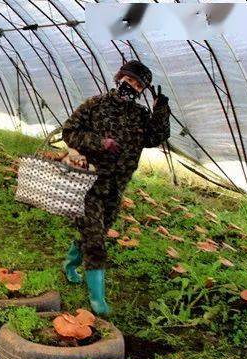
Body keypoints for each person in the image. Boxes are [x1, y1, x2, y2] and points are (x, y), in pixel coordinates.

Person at [61, 60, 171, 315]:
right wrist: (100, 142)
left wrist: (160, 110)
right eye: (129, 80)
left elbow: (155, 138)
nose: (131, 87)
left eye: (138, 85)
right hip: (90, 183)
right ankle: (97, 300)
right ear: (119, 77)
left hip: (117, 185)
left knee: (95, 230)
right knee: (96, 239)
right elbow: (70, 132)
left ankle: (70, 264)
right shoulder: (95, 105)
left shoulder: (140, 115)